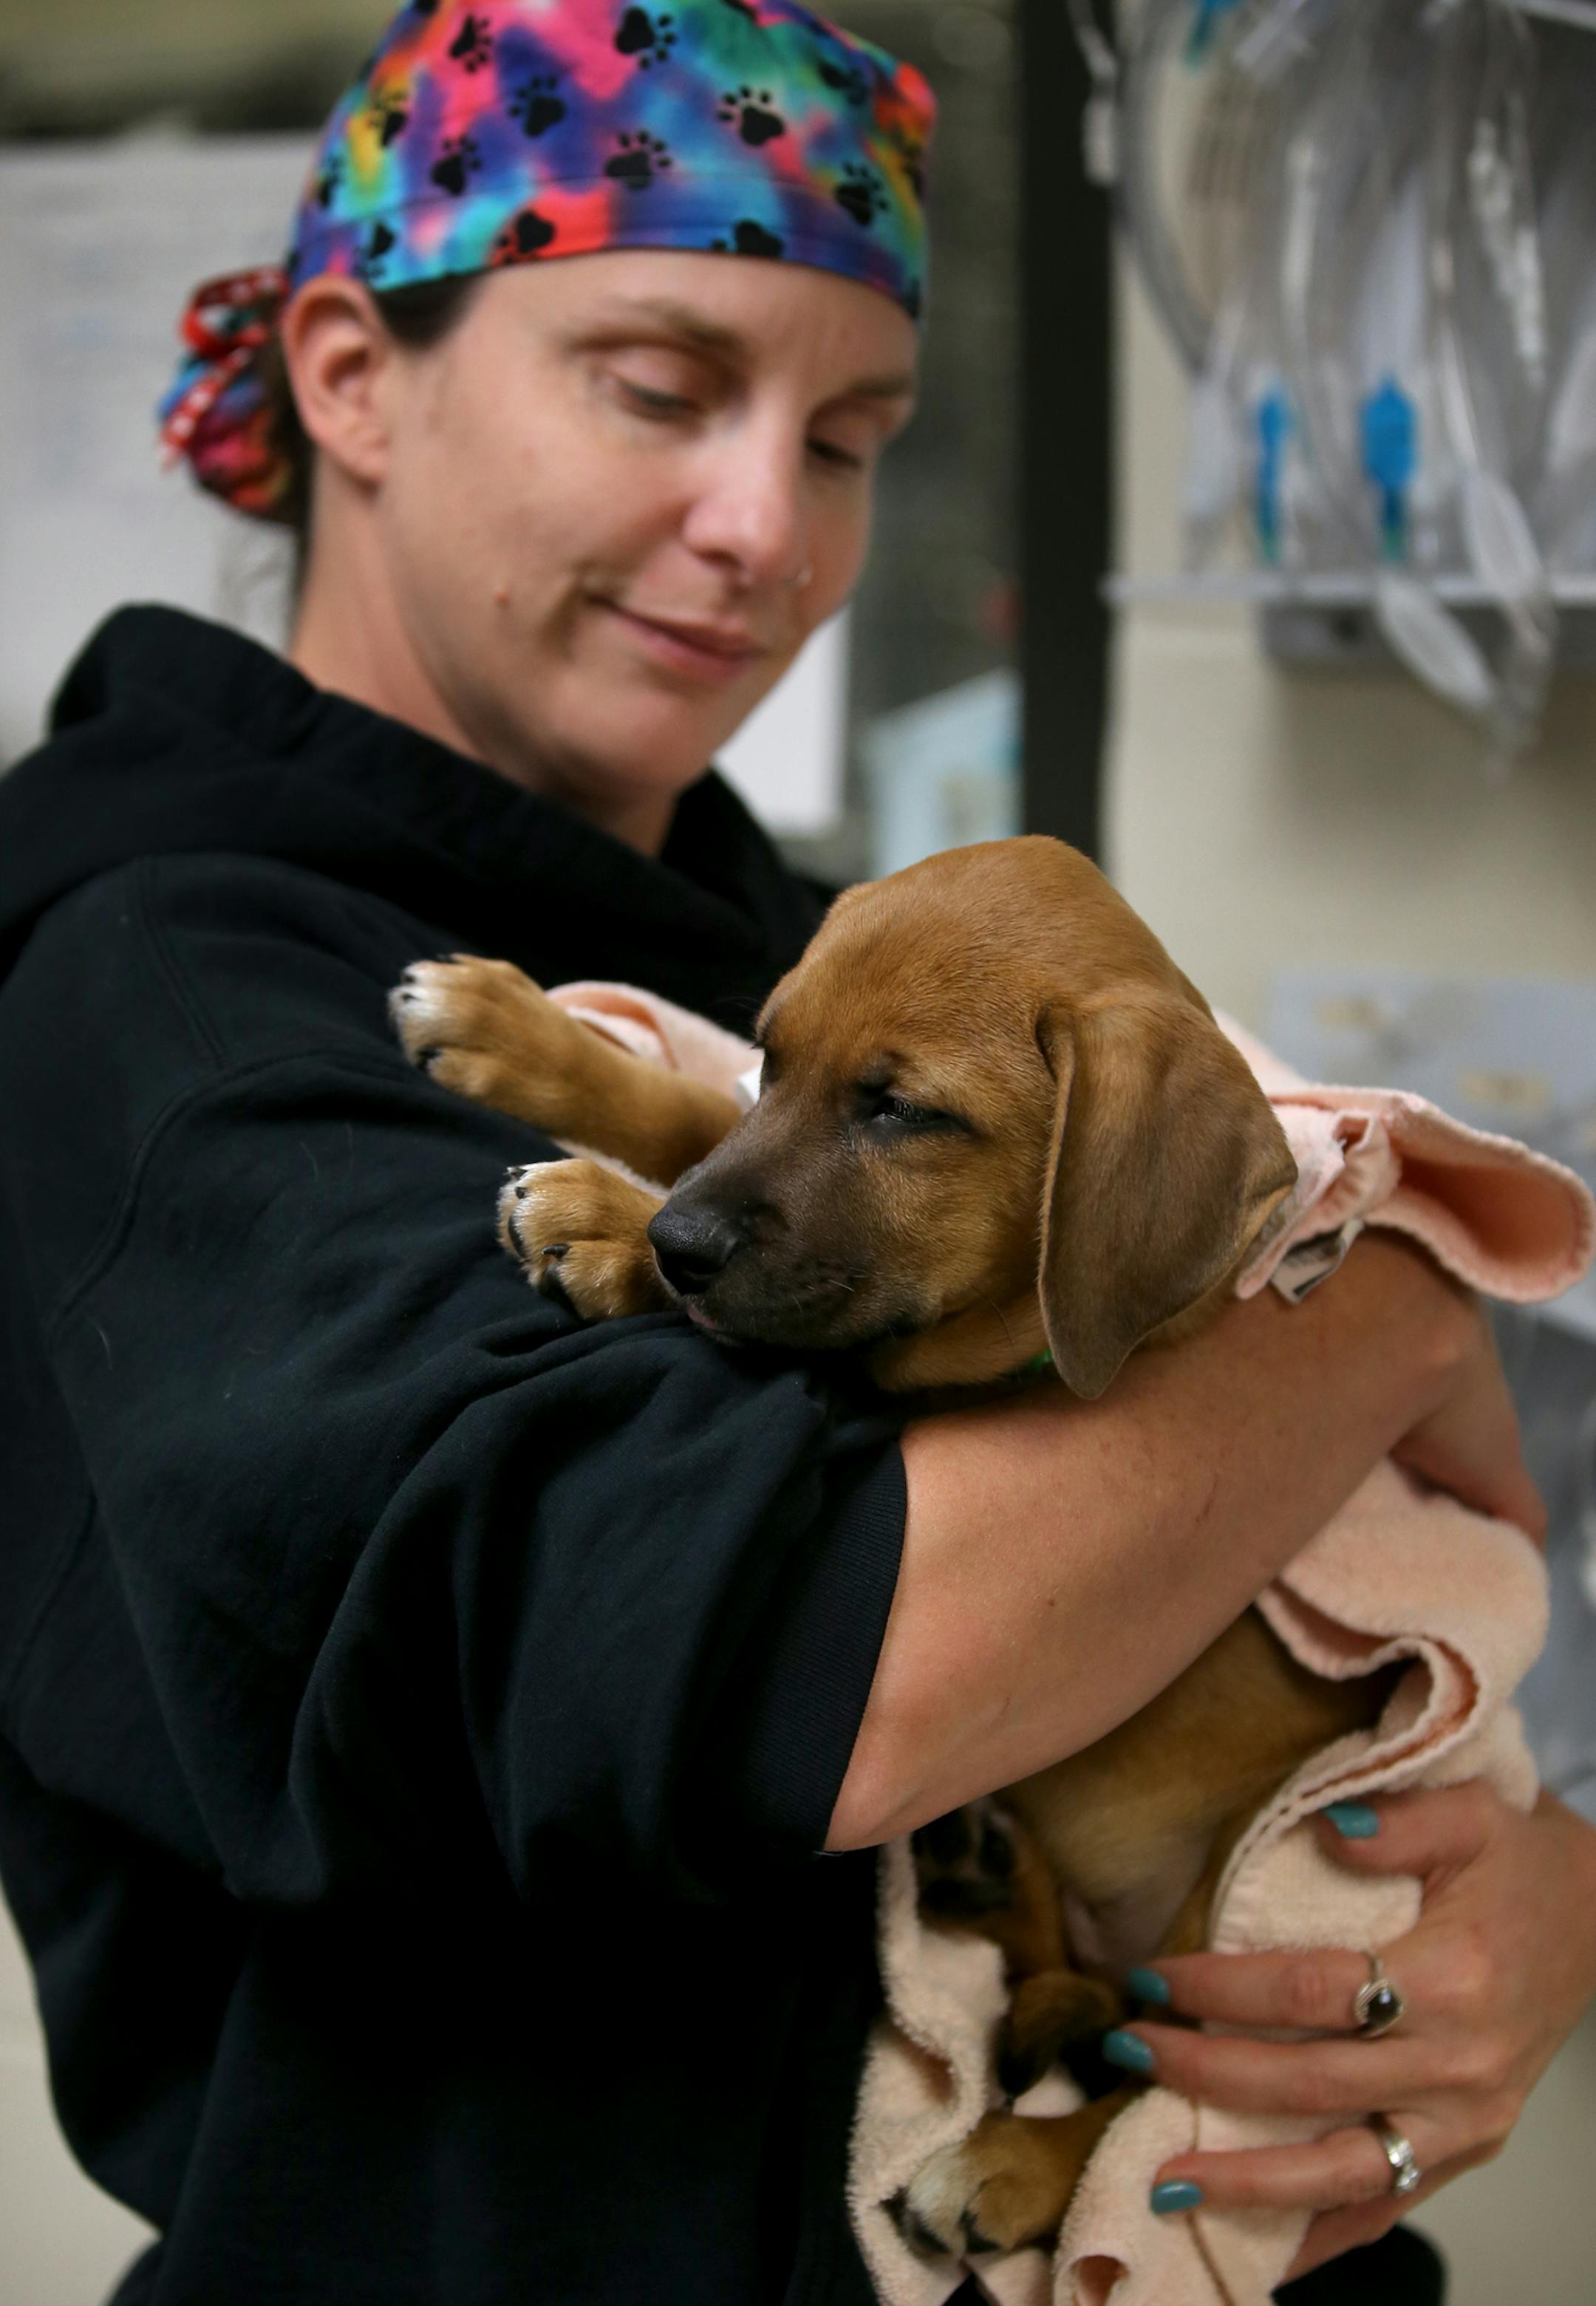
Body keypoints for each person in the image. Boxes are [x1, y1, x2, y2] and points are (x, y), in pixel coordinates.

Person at [0, 4, 1590, 2301]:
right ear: (348, 373)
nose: (769, 527)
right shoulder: (152, 996)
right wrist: (1389, 1289)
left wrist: (1534, 1908)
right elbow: (748, 1662)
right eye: (661, 387)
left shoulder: (798, 951)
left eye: (853, 436)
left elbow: (1308, 1575)